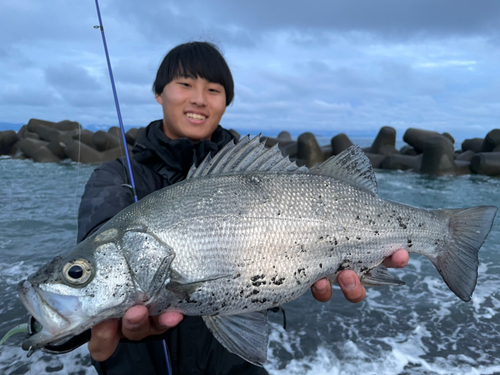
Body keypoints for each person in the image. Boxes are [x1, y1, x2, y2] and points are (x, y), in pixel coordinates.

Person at [78, 41, 409, 375]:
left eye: (213, 89)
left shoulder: (257, 174)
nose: (198, 98)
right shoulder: (116, 177)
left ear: (226, 102)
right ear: (158, 93)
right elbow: (90, 267)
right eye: (185, 84)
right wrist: (57, 333)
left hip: (233, 365)